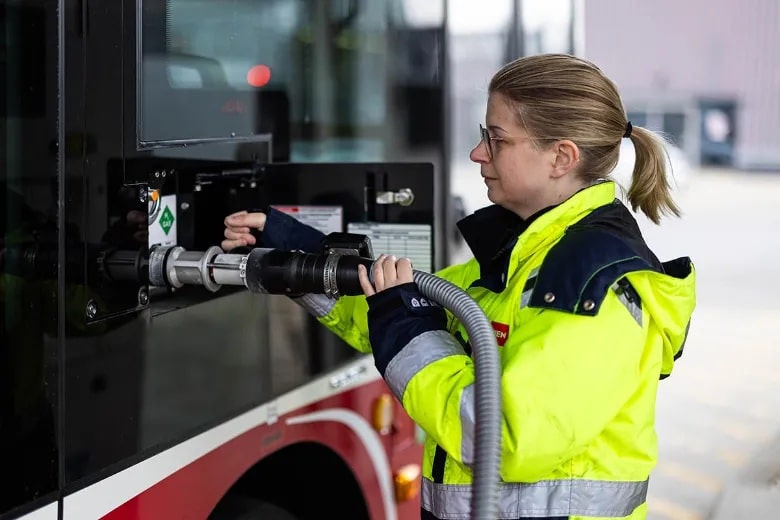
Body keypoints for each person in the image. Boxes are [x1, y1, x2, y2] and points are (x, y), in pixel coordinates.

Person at [222, 54, 696, 520]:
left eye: (497, 139)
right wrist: (294, 253)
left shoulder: (599, 288)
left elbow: (500, 439)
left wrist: (406, 327)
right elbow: (387, 305)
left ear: (561, 157)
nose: (477, 154)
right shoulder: (521, 256)